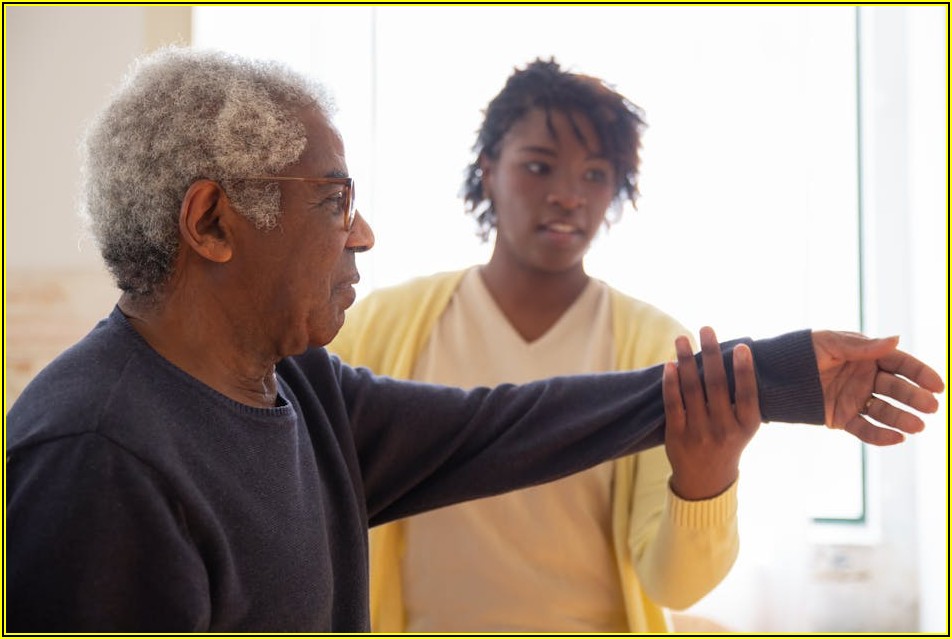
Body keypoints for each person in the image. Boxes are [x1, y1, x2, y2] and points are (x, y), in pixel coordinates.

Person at [5, 47, 943, 634]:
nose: (362, 232)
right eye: (335, 200)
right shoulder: (95, 457)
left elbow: (505, 426)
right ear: (212, 223)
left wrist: (780, 380)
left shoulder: (304, 387)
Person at [327, 58, 941, 632]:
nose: (569, 194)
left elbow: (675, 586)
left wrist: (707, 479)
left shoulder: (656, 344)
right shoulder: (381, 326)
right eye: (539, 165)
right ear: (488, 167)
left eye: (596, 175)